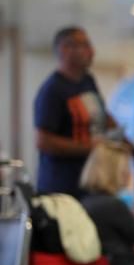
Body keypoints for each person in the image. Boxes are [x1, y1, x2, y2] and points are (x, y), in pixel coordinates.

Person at [34, 26, 119, 197]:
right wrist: (89, 147)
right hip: (63, 187)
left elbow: (102, 115)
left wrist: (122, 138)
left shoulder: (88, 81)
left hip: (91, 182)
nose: (92, 51)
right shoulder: (53, 90)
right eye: (85, 45)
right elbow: (43, 141)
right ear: (65, 50)